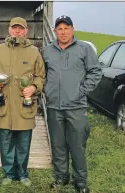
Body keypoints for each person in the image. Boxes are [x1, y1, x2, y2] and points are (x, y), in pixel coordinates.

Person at [42, 15, 102, 193]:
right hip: (54, 107)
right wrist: (47, 89)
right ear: (55, 31)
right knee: (58, 145)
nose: (63, 32)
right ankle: (61, 177)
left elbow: (95, 72)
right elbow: (42, 74)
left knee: (77, 145)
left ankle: (80, 180)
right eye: (59, 28)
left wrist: (81, 91)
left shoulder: (84, 49)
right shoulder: (47, 51)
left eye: (66, 28)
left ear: (72, 29)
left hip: (76, 107)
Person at [0, 17, 46, 187]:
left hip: (24, 106)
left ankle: (23, 173)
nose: (17, 31)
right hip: (4, 105)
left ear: (26, 31)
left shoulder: (34, 52)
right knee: (5, 142)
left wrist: (33, 87)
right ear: (9, 30)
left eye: (20, 28)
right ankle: (9, 173)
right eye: (14, 28)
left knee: (24, 142)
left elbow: (41, 76)